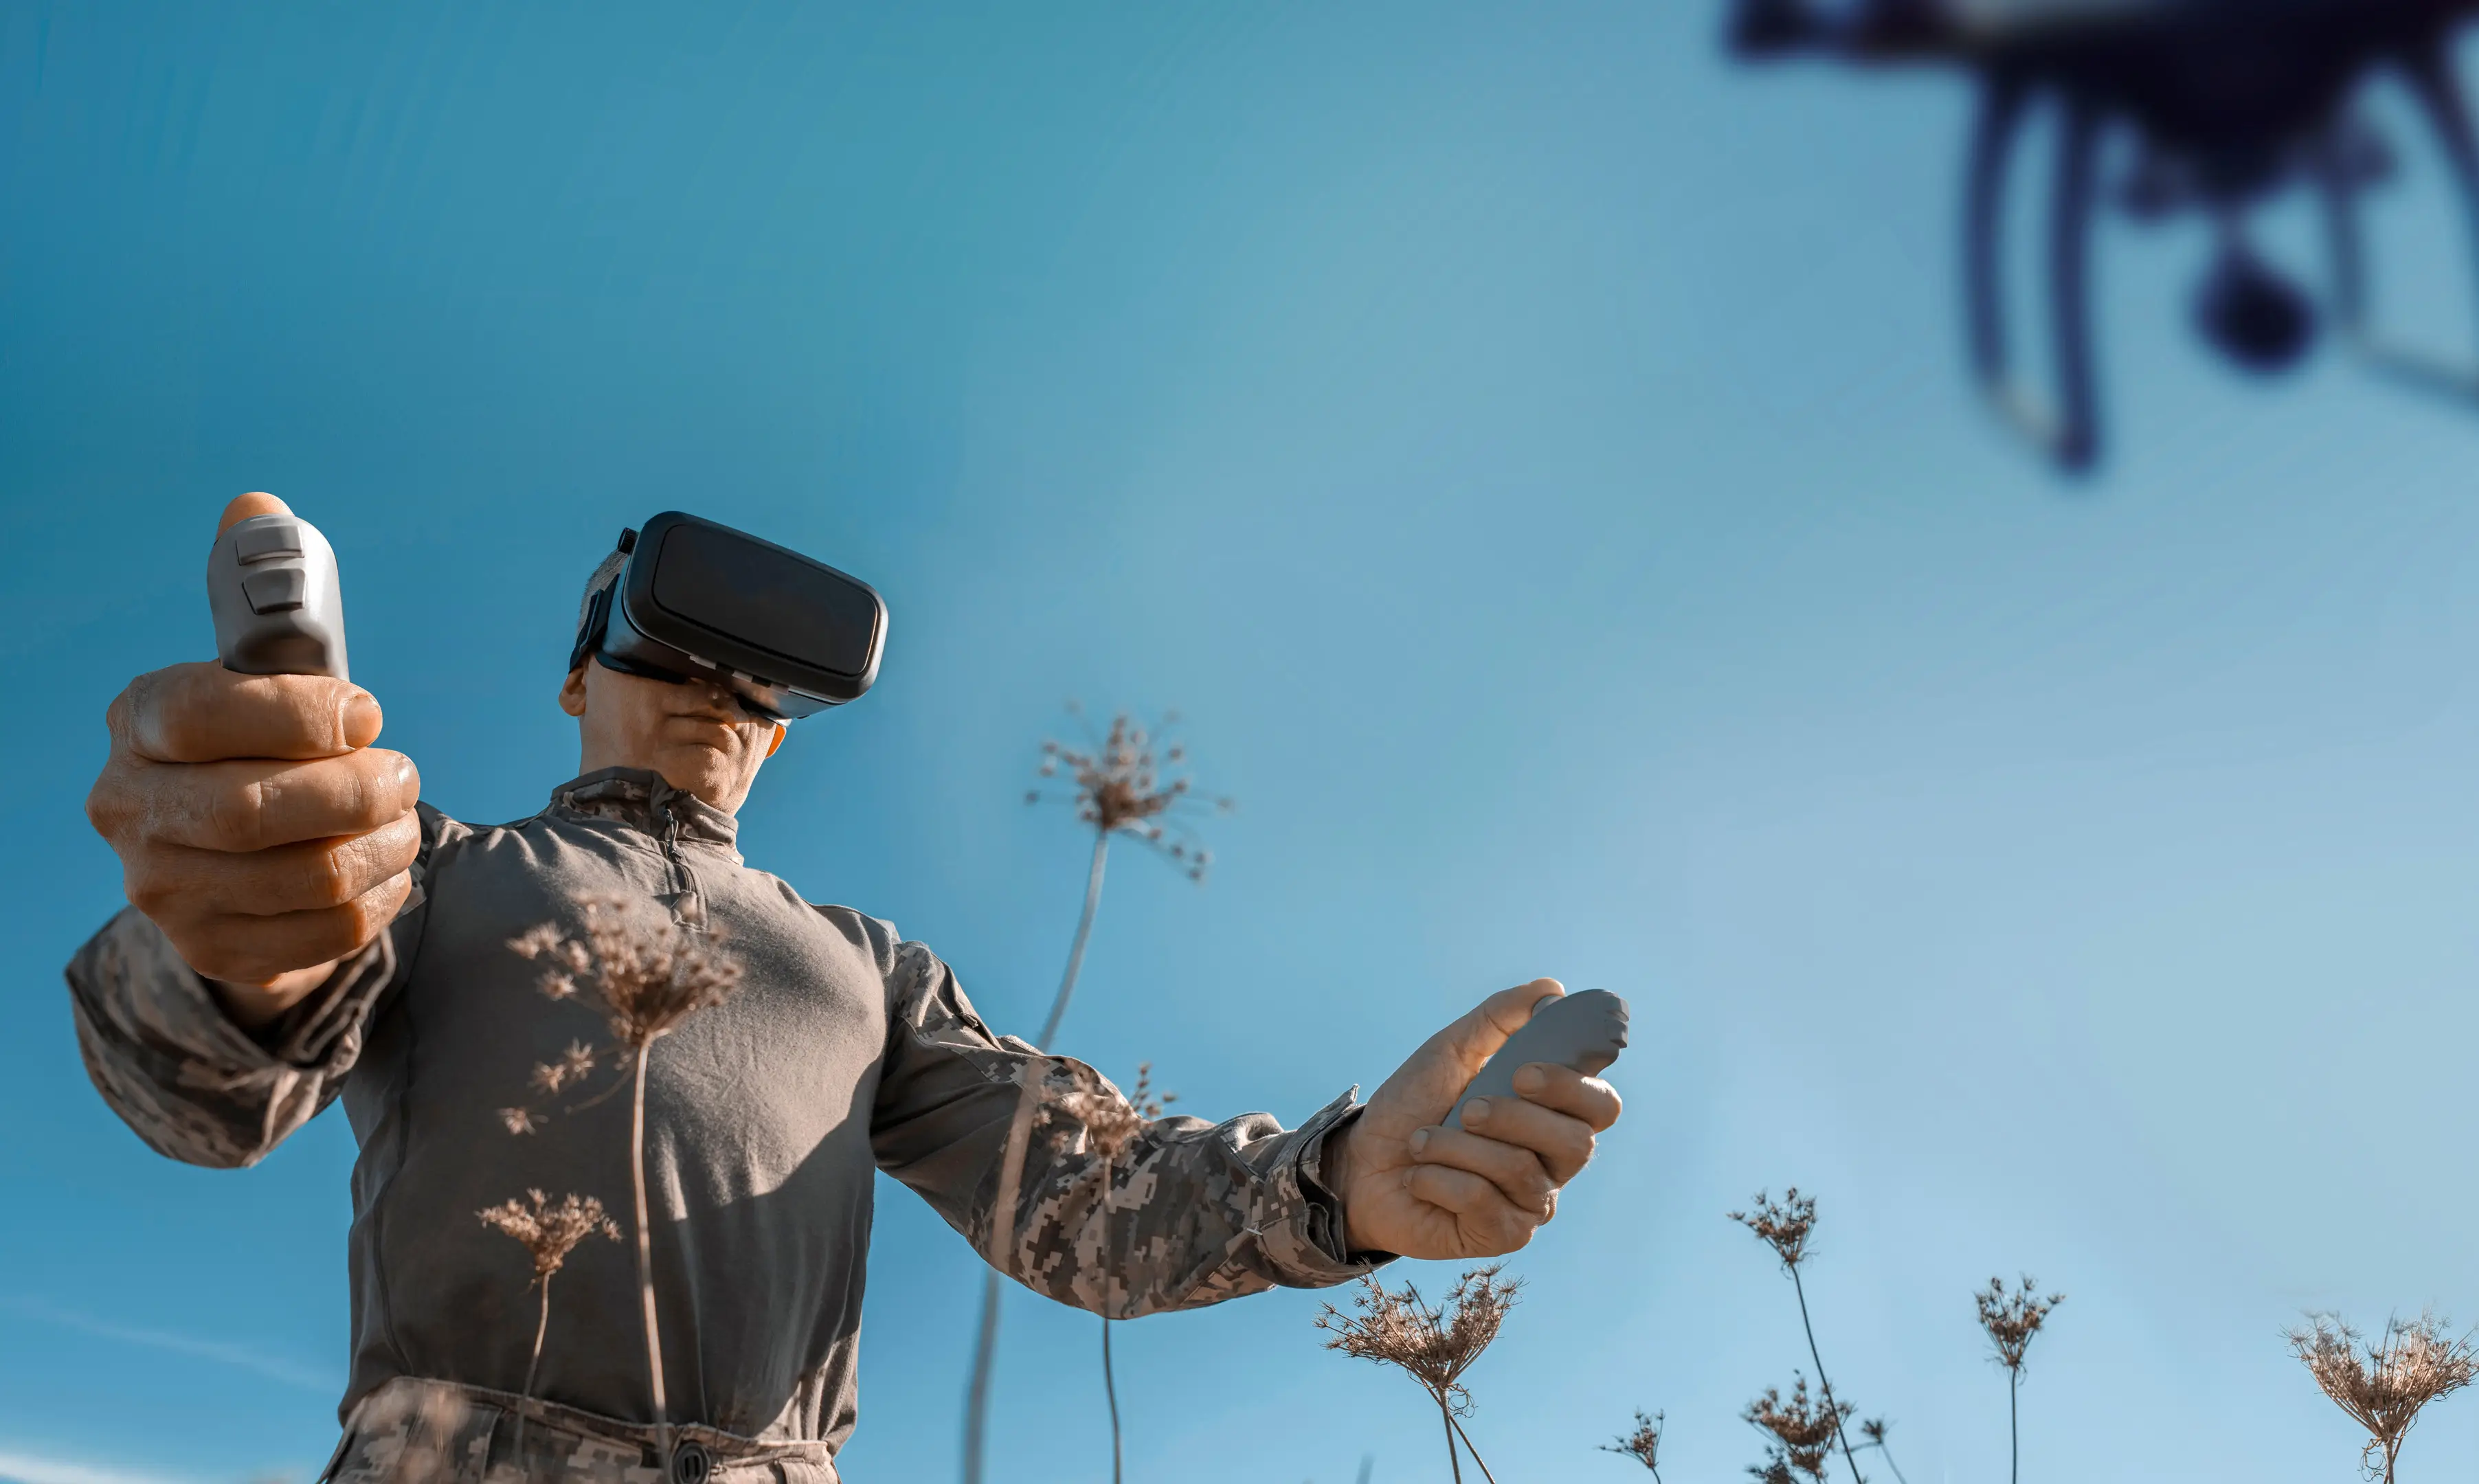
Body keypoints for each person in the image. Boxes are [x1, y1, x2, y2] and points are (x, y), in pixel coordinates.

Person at [69, 493, 1625, 1483]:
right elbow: (215, 1083)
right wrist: (226, 940)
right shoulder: (438, 869)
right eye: (663, 649)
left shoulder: (867, 969)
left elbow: (1082, 1199)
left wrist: (1336, 1183)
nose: (715, 696)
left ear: (789, 731)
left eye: (760, 685)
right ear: (576, 676)